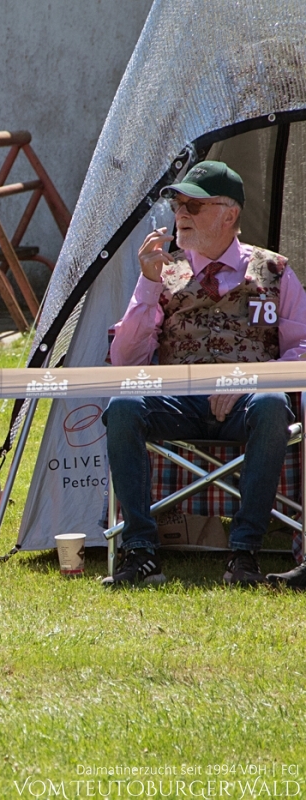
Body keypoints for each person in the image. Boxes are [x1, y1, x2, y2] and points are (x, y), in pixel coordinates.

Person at [103, 160, 306, 589]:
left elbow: (303, 349)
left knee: (273, 405)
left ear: (229, 215)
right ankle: (140, 551)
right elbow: (125, 361)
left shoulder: (275, 272)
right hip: (178, 401)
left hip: (247, 403)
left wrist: (252, 380)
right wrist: (147, 284)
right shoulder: (163, 272)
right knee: (122, 405)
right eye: (178, 204)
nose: (181, 214)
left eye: (194, 206)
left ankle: (244, 552)